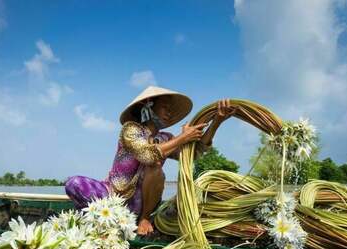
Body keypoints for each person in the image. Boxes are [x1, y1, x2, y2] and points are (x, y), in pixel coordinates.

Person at [65, 86, 236, 235]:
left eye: (171, 109)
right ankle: (102, 219)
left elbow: (195, 152)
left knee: (155, 167)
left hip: (140, 205)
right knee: (73, 183)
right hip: (113, 196)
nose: (169, 113)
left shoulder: (165, 138)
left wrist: (217, 121)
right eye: (165, 107)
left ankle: (145, 220)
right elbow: (146, 154)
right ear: (148, 106)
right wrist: (183, 137)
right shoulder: (131, 129)